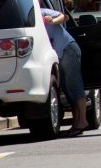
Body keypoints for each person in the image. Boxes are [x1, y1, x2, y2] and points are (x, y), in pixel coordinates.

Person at [42, 7, 87, 136]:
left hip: (68, 49)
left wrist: (52, 21)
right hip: (60, 55)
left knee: (75, 85)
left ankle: (82, 121)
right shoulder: (29, 20)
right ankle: (77, 122)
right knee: (68, 89)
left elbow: (64, 17)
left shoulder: (43, 12)